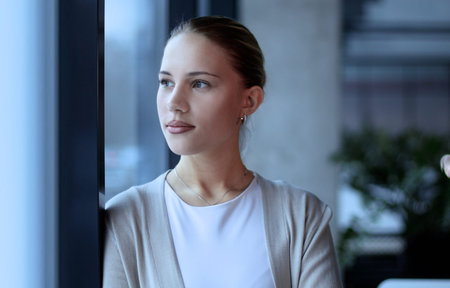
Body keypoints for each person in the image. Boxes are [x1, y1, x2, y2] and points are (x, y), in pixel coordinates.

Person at [103, 16, 343, 288]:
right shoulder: (127, 217)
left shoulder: (299, 215)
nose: (174, 103)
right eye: (166, 82)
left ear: (249, 100)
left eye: (199, 84)